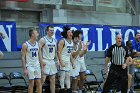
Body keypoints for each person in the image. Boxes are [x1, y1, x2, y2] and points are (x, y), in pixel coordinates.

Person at [58, 26, 78, 93]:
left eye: (71, 32)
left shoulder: (72, 42)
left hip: (68, 60)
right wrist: (60, 61)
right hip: (62, 60)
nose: (71, 33)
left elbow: (70, 54)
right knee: (63, 75)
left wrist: (72, 63)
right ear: (66, 34)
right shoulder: (62, 41)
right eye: (69, 32)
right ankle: (62, 89)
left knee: (68, 76)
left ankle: (69, 89)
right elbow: (59, 52)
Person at [21, 29, 42, 93]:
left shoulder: (38, 44)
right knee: (31, 83)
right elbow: (23, 57)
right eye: (36, 33)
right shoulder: (25, 44)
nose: (38, 34)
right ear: (32, 34)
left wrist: (42, 67)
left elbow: (40, 56)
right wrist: (25, 69)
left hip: (37, 65)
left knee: (39, 83)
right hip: (29, 66)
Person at [39, 26, 58, 93]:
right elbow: (39, 51)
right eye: (50, 30)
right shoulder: (43, 39)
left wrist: (57, 60)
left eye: (53, 30)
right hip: (45, 60)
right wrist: (41, 61)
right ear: (47, 31)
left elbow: (56, 52)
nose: (52, 31)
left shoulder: (55, 40)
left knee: (53, 79)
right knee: (42, 80)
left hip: (52, 61)